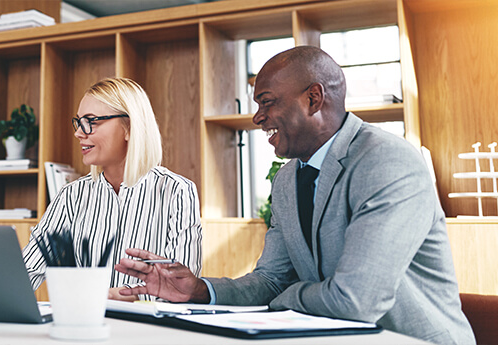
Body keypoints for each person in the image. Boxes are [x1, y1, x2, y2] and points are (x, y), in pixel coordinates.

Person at [114, 46, 475, 344]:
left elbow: (355, 301)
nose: (257, 118)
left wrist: (286, 297)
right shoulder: (287, 179)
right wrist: (198, 289)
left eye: (267, 102)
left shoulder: (386, 160)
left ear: (313, 99)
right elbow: (270, 280)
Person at [22, 77, 203, 301]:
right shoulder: (71, 196)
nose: (79, 133)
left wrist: (120, 297)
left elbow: (181, 289)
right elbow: (26, 272)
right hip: (84, 327)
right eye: (78, 122)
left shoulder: (177, 192)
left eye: (91, 121)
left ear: (129, 127)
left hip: (149, 332)